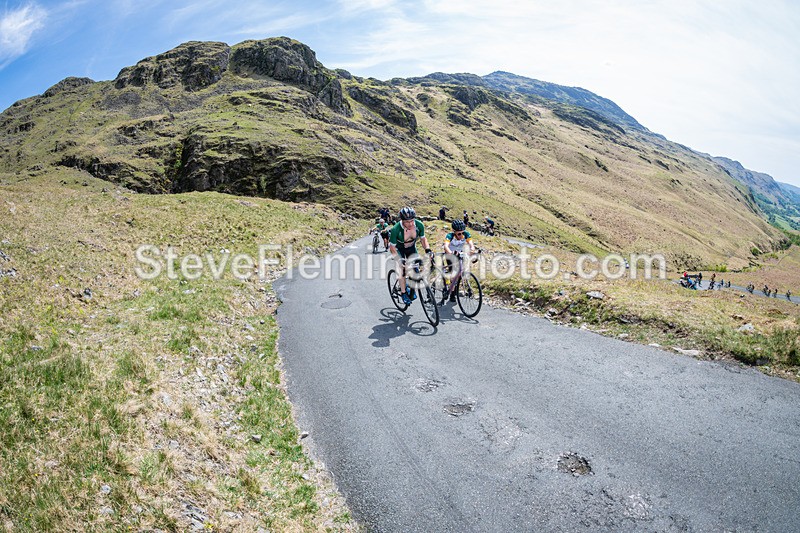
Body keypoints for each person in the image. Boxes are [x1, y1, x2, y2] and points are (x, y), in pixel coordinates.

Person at [389, 206, 433, 305]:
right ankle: (403, 292)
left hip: (411, 248)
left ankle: (411, 288)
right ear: (402, 221)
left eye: (412, 221)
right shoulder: (396, 229)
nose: (411, 224)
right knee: (402, 269)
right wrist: (400, 260)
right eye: (407, 222)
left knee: (416, 270)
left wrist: (428, 250)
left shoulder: (419, 225)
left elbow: (423, 239)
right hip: (399, 249)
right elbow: (392, 248)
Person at [442, 219, 477, 302]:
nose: (461, 235)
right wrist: (450, 253)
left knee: (461, 271)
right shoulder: (450, 236)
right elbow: (446, 246)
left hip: (460, 253)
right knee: (453, 274)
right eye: (458, 233)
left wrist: (472, 250)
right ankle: (452, 293)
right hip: (450, 254)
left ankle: (458, 285)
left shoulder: (466, 234)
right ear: (454, 231)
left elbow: (471, 244)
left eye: (462, 232)